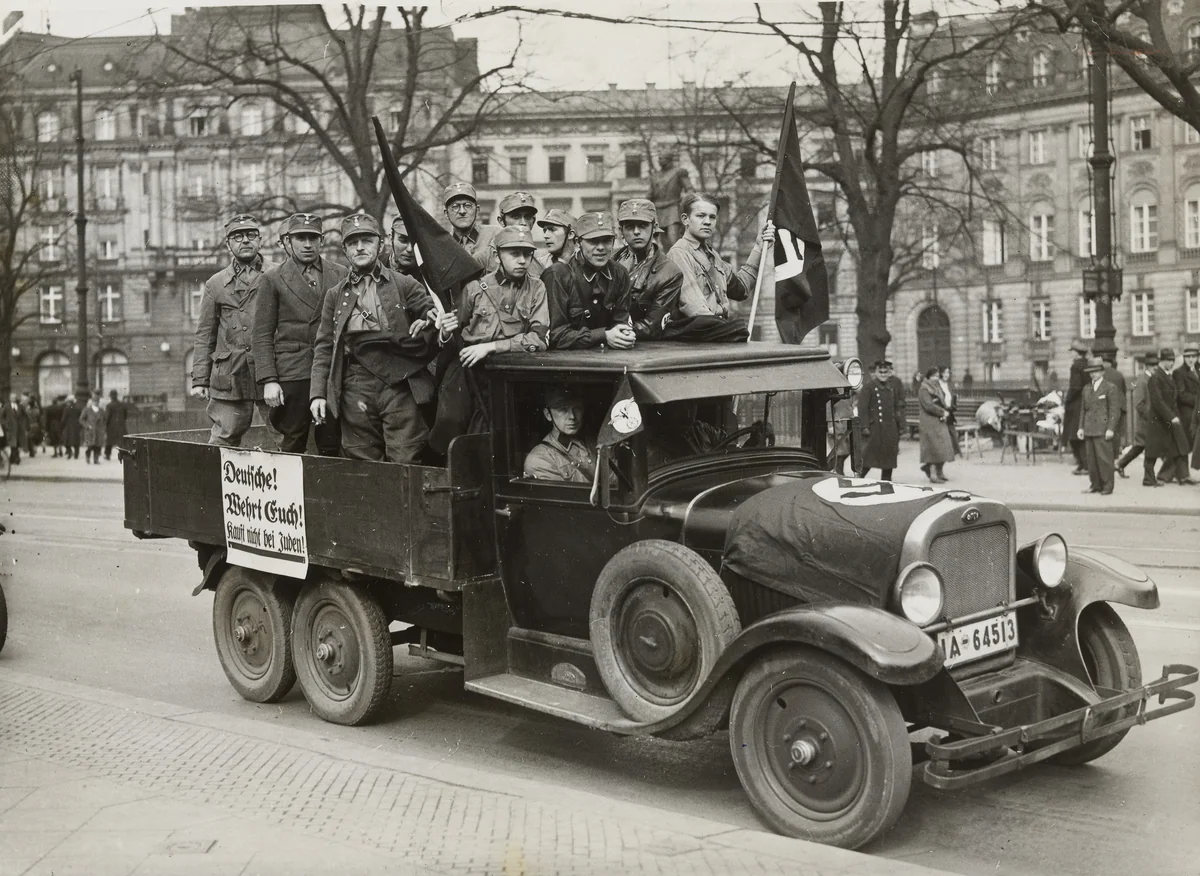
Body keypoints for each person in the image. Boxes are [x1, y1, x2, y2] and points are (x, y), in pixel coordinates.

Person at [309, 214, 439, 462]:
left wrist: (429, 321)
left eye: (367, 240)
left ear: (380, 245)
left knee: (406, 457)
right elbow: (325, 347)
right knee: (362, 460)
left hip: (400, 383)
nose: (360, 248)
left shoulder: (405, 284)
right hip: (356, 384)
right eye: (352, 243)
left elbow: (432, 316)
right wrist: (317, 394)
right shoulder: (335, 295)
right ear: (345, 250)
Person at [428, 226, 549, 456]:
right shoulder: (475, 288)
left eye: (527, 254)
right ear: (497, 255)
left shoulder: (537, 288)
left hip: (511, 371)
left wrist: (491, 347)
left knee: (506, 432)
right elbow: (454, 332)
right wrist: (444, 331)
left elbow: (539, 339)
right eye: (514, 253)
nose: (522, 260)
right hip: (470, 368)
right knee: (450, 422)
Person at [253, 212, 348, 456]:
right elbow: (262, 334)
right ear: (288, 241)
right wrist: (269, 380)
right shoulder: (272, 279)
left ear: (322, 240)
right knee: (293, 441)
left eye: (313, 238)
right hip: (293, 372)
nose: (307, 244)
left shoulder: (340, 273)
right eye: (300, 238)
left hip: (330, 370)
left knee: (331, 440)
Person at [614, 197, 748, 343]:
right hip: (619, 338)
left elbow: (740, 289)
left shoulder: (668, 270)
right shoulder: (612, 263)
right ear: (621, 230)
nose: (636, 232)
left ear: (654, 227)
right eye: (629, 227)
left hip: (645, 340)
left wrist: (759, 248)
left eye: (643, 225)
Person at [191, 213, 272, 447]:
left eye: (251, 235)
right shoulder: (215, 283)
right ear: (228, 244)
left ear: (260, 240)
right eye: (237, 237)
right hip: (230, 374)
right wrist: (200, 379)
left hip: (270, 370)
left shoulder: (278, 275)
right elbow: (205, 333)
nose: (245, 241)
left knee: (286, 435)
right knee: (222, 439)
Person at [668, 193, 774, 329]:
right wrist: (729, 331)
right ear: (685, 219)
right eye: (700, 216)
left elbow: (741, 289)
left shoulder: (713, 255)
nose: (707, 221)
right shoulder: (679, 253)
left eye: (712, 217)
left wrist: (759, 247)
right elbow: (695, 309)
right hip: (695, 339)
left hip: (715, 331)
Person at [544, 212, 635, 350]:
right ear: (579, 241)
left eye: (606, 240)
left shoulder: (619, 273)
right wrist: (603, 335)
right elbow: (555, 335)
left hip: (611, 358)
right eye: (593, 241)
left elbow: (620, 321)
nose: (601, 247)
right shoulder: (558, 275)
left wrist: (624, 334)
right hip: (567, 362)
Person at [523, 386, 597, 482]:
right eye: (563, 410)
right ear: (548, 415)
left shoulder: (594, 443)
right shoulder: (540, 458)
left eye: (577, 408)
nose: (572, 416)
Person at [1145, 348, 1195, 486]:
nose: (1171, 363)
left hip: (1170, 418)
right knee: (1153, 451)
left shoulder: (1168, 376)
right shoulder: (1155, 377)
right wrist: (1171, 417)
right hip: (1160, 420)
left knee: (1181, 445)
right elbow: (1157, 401)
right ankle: (1150, 478)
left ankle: (1183, 475)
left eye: (1173, 360)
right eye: (1169, 360)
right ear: (1161, 361)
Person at [1078, 357, 1120, 495]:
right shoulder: (1086, 388)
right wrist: (1081, 427)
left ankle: (1108, 486)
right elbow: (1083, 409)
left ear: (1102, 372)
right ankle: (1095, 484)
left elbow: (1114, 411)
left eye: (1096, 371)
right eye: (1090, 372)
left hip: (1103, 430)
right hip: (1089, 428)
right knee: (1091, 460)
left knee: (1105, 459)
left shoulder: (1110, 388)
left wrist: (1111, 428)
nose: (1093, 374)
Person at [857, 361, 904, 481]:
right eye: (880, 372)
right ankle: (858, 478)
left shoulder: (892, 387)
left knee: (889, 458)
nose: (883, 374)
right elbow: (862, 409)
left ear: (889, 373)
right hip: (875, 428)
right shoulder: (869, 387)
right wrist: (865, 427)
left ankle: (886, 483)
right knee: (869, 457)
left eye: (885, 372)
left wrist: (901, 425)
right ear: (876, 372)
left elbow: (896, 407)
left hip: (890, 428)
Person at [1116, 354, 1157, 480]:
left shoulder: (1151, 379)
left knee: (1140, 447)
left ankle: (1120, 464)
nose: (1154, 367)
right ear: (1146, 366)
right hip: (1145, 422)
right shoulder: (1142, 380)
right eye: (1152, 365)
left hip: (1148, 422)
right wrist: (1151, 416)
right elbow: (1139, 403)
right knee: (1145, 447)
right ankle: (1149, 478)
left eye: (1156, 364)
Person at [443, 182, 498, 270]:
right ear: (446, 214)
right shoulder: (443, 246)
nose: (462, 211)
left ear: (477, 210)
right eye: (455, 206)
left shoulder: (495, 235)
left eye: (467, 205)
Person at [646, 150, 694, 248]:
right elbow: (650, 195)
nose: (659, 160)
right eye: (658, 158)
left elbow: (689, 188)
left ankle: (679, 260)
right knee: (664, 242)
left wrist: (686, 200)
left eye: (661, 158)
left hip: (673, 208)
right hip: (658, 210)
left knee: (673, 238)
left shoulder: (678, 172)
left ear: (669, 159)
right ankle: (669, 262)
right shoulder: (655, 176)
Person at [918, 367, 954, 483]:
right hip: (929, 421)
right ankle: (933, 475)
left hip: (939, 420)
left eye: (937, 376)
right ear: (928, 377)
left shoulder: (937, 387)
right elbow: (928, 406)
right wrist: (942, 411)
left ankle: (939, 472)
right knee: (933, 448)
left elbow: (942, 401)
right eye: (933, 376)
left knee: (944, 448)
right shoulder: (924, 389)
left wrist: (946, 410)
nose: (935, 379)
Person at [1063, 339, 1089, 474]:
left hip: (1076, 404)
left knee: (1073, 436)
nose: (1071, 354)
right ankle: (1083, 464)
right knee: (1080, 435)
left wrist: (1067, 399)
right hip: (1085, 402)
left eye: (1072, 352)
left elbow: (1075, 386)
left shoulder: (1076, 366)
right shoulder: (1087, 364)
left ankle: (1083, 464)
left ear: (1076, 353)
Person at [1174, 345, 1199, 464]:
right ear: (1184, 358)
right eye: (1188, 357)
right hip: (1188, 414)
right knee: (1185, 445)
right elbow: (1182, 395)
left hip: (1196, 412)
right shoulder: (1179, 372)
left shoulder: (1198, 370)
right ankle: (1168, 473)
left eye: (1193, 356)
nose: (1191, 359)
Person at [1102, 355, 1128, 459]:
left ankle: (1107, 454)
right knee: (1116, 431)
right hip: (1120, 405)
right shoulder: (1119, 374)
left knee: (1107, 429)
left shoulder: (1103, 374)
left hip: (1107, 405)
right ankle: (1115, 454)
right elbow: (1124, 390)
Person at [80, 389, 107, 464]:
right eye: (94, 401)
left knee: (98, 446)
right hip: (90, 431)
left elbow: (105, 420)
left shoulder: (102, 411)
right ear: (92, 401)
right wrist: (87, 426)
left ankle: (96, 459)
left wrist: (103, 429)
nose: (96, 403)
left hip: (99, 431)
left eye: (97, 401)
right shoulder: (87, 410)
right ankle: (88, 457)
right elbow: (81, 419)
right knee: (90, 446)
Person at [389, 216, 420, 280]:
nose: (410, 249)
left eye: (415, 243)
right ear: (391, 239)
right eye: (403, 240)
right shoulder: (376, 265)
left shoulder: (427, 277)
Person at [0, 394, 28, 465]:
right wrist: (6, 424)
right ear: (10, 399)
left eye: (14, 398)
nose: (13, 399)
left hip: (19, 429)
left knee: (18, 444)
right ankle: (16, 458)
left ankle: (13, 458)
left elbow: (25, 415)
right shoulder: (7, 406)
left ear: (16, 399)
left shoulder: (20, 406)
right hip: (10, 429)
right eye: (12, 398)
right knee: (13, 444)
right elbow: (1, 417)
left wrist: (23, 424)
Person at [937, 366, 958, 456]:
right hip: (940, 412)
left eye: (948, 373)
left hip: (949, 412)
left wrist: (954, 404)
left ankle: (953, 452)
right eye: (944, 372)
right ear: (940, 373)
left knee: (952, 432)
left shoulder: (948, 385)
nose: (946, 375)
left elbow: (952, 398)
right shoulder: (937, 385)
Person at [104, 390, 128, 460]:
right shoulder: (122, 405)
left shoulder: (109, 405)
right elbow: (125, 415)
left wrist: (106, 425)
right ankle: (121, 455)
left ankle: (107, 455)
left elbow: (107, 417)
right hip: (121, 425)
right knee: (121, 441)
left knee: (109, 441)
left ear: (111, 396)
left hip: (112, 426)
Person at [60, 393, 82, 459]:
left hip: (68, 426)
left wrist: (62, 426)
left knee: (67, 441)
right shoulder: (78, 408)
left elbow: (64, 419)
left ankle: (69, 453)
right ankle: (76, 454)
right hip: (77, 426)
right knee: (76, 441)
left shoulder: (67, 409)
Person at [22, 393, 41, 458]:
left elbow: (25, 418)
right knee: (34, 438)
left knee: (29, 439)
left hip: (29, 425)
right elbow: (39, 418)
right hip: (36, 425)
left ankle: (31, 451)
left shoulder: (27, 410)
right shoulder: (37, 410)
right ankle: (34, 449)